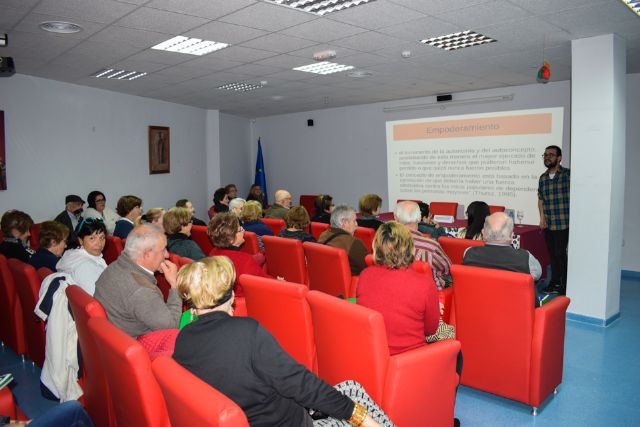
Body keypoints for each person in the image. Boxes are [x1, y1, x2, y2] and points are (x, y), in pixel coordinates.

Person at [173, 256, 387, 427]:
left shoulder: (184, 338)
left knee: (352, 387)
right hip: (290, 421)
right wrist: (362, 420)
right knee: (359, 400)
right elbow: (302, 384)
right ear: (230, 296)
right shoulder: (247, 332)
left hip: (268, 412)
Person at [357, 221, 439, 355]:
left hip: (374, 355)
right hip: (412, 361)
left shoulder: (365, 275)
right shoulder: (425, 284)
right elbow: (430, 330)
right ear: (410, 248)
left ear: (376, 247)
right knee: (457, 353)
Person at [94, 224, 181, 338]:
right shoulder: (141, 291)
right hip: (137, 347)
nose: (167, 254)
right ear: (147, 254)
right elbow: (171, 326)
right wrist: (174, 285)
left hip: (112, 341)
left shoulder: (113, 268)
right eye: (163, 249)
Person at [464, 213, 542, 281]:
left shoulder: (468, 253)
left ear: (483, 233)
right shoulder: (526, 258)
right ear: (512, 236)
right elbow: (536, 276)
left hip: (478, 297)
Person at [394, 201, 452, 290]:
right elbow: (447, 268)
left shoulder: (385, 243)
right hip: (430, 295)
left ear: (395, 218)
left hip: (396, 289)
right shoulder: (431, 246)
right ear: (420, 217)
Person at [207, 213, 268, 297]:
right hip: (244, 304)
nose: (243, 231)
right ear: (231, 239)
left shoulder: (213, 253)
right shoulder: (244, 260)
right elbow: (264, 284)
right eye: (240, 230)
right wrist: (279, 282)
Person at [538, 145, 570, 295]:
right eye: (545, 155)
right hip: (549, 224)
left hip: (563, 222)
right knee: (552, 254)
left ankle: (564, 285)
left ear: (559, 158)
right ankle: (554, 282)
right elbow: (541, 200)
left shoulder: (567, 175)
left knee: (560, 254)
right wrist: (542, 218)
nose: (547, 157)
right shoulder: (543, 178)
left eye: (551, 154)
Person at [56, 218, 108, 296]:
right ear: (80, 240)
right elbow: (100, 298)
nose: (99, 243)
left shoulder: (72, 254)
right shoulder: (85, 267)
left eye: (102, 237)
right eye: (92, 238)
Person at [318, 205, 368, 276]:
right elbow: (367, 269)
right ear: (344, 222)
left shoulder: (323, 235)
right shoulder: (354, 243)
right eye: (354, 221)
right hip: (350, 285)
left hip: (326, 281)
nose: (356, 224)